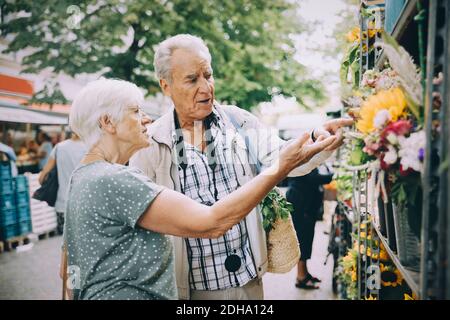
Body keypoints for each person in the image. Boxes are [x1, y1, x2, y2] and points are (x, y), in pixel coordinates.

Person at [62, 78, 337, 300]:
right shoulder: (115, 180)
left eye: (208, 75)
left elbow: (69, 267)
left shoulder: (84, 176)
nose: (146, 119)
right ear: (107, 123)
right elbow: (212, 222)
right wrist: (278, 169)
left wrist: (312, 141)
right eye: (136, 112)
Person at [130, 34, 353, 300]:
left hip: (247, 283)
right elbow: (142, 227)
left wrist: (318, 138)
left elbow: (282, 156)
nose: (206, 87)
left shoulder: (238, 121)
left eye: (208, 75)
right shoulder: (150, 144)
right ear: (166, 86)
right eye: (192, 79)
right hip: (190, 291)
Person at [286, 167, 333, 290]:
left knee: (306, 239)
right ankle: (301, 277)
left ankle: (305, 274)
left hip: (305, 205)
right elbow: (313, 178)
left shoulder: (309, 158)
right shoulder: (304, 157)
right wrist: (334, 175)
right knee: (303, 240)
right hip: (301, 205)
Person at [38, 132, 87, 234]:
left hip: (63, 205)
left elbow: (41, 178)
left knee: (67, 244)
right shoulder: (91, 147)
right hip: (86, 204)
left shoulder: (59, 147)